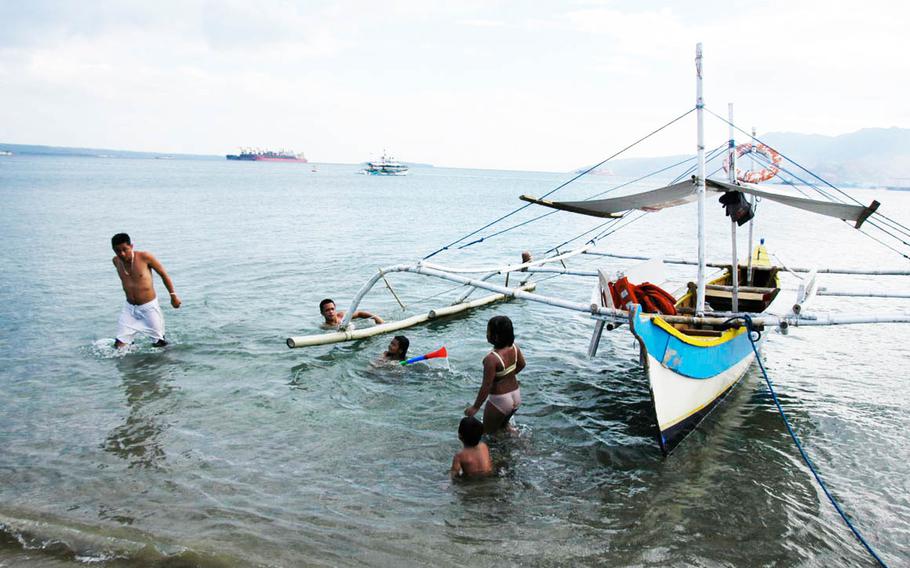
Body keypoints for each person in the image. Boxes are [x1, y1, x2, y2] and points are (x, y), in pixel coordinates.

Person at [110, 233, 181, 348]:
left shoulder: (145, 257)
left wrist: (173, 296)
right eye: (118, 251)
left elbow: (163, 274)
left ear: (131, 246)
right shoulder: (116, 261)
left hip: (149, 307)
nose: (122, 254)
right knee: (119, 346)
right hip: (129, 308)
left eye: (125, 249)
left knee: (159, 344)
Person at [465, 315, 525, 434]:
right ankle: (520, 445)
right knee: (503, 427)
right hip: (516, 396)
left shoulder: (491, 359)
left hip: (500, 400)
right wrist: (507, 376)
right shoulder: (515, 348)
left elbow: (486, 386)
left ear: (496, 336)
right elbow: (522, 365)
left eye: (488, 331)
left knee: (488, 434)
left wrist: (475, 407)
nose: (486, 334)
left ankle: (497, 453)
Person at [319, 298, 384, 327]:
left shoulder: (342, 316)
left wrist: (376, 318)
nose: (331, 312)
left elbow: (359, 313)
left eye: (332, 309)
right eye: (327, 310)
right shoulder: (325, 327)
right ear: (322, 313)